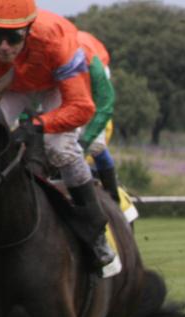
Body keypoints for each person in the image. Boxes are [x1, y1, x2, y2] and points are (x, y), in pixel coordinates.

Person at [0, 0, 116, 274]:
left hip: (54, 84)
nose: (3, 46)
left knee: (59, 147)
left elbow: (82, 108)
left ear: (28, 28)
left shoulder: (58, 39)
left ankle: (94, 230)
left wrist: (38, 124)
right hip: (9, 84)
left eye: (13, 37)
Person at [76, 30, 119, 203]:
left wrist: (85, 141)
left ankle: (113, 197)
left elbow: (104, 108)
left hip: (94, 65)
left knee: (96, 146)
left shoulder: (96, 69)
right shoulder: (53, 59)